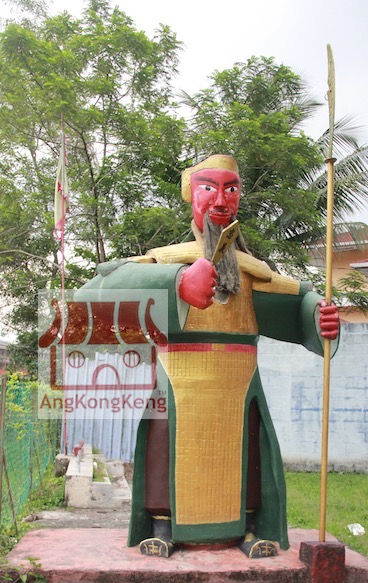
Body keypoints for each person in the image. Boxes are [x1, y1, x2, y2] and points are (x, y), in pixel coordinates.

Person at [76, 154, 339, 558]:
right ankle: (163, 526)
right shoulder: (164, 260)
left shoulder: (254, 271)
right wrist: (177, 284)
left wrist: (318, 316)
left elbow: (298, 300)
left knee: (245, 453)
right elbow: (93, 295)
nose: (220, 200)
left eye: (231, 189)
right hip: (177, 378)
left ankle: (247, 528)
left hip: (238, 383)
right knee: (166, 449)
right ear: (191, 195)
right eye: (209, 188)